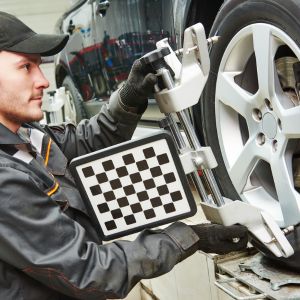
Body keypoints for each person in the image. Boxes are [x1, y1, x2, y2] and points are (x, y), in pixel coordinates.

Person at [0, 11, 248, 300]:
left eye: (39, 67)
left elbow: (83, 142)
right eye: (25, 67)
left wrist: (129, 96)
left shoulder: (25, 134)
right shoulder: (5, 180)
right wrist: (187, 237)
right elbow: (90, 270)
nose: (43, 80)